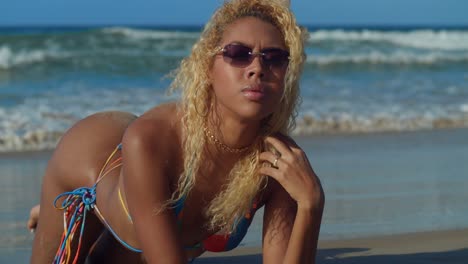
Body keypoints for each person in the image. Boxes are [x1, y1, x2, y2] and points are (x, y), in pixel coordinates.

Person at [29, 0, 324, 263]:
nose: (257, 68)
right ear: (208, 68)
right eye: (238, 53)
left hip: (158, 212)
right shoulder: (153, 140)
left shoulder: (280, 163)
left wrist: (311, 203)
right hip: (91, 159)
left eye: (274, 57)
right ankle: (52, 213)